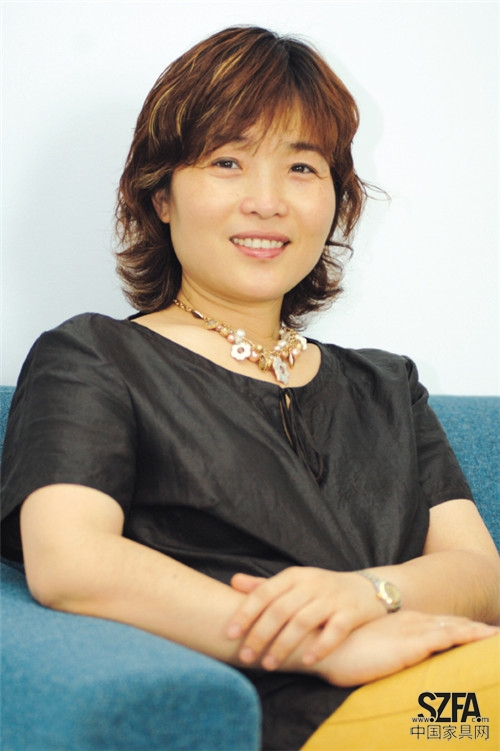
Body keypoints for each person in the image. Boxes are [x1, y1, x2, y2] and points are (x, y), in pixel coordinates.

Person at [1, 26, 499, 751]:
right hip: (303, 709)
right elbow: (69, 563)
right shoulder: (93, 357)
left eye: (301, 167)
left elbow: (479, 573)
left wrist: (367, 593)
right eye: (228, 162)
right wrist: (319, 646)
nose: (267, 201)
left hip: (454, 684)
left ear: (336, 199)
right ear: (161, 194)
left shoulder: (388, 384)